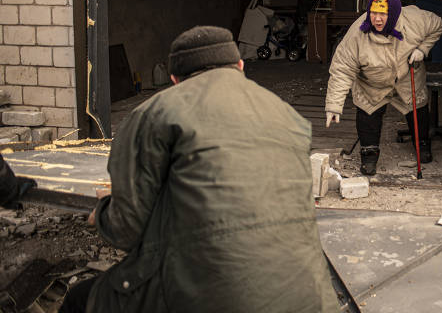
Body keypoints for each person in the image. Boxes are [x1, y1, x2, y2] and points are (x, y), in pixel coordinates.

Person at [59, 26, 337, 313]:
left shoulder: (155, 113)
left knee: (81, 299)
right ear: (240, 66)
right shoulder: (289, 116)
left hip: (214, 298)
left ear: (175, 80)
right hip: (311, 298)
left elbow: (126, 230)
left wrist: (104, 212)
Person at [325, 0, 442, 176]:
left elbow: (438, 24)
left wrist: (423, 49)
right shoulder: (357, 34)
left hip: (407, 77)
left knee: (418, 109)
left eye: (383, 14)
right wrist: (334, 105)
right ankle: (369, 155)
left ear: (394, 13)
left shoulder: (415, 20)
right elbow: (342, 69)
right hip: (371, 83)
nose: (377, 19)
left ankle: (422, 145)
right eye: (373, 13)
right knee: (368, 114)